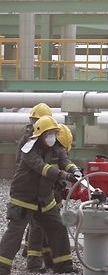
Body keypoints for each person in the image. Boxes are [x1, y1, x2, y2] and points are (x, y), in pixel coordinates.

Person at [0, 116, 80, 275]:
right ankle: (2, 266)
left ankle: (63, 265)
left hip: (44, 198)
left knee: (57, 227)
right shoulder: (29, 149)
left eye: (54, 133)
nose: (52, 136)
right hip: (24, 197)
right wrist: (63, 176)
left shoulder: (57, 147)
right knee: (16, 230)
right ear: (40, 134)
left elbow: (65, 160)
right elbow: (42, 168)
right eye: (49, 133)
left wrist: (74, 170)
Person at [24, 123, 74, 272]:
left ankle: (51, 261)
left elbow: (62, 167)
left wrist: (74, 172)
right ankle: (33, 261)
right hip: (38, 196)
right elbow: (47, 173)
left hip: (49, 195)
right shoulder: (37, 151)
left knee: (52, 227)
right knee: (37, 227)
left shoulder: (54, 150)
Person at [16, 103, 54, 261]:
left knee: (35, 221)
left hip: (38, 187)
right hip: (31, 187)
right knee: (33, 222)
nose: (35, 124)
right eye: (34, 120)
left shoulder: (44, 142)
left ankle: (29, 251)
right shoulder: (28, 141)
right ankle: (32, 255)